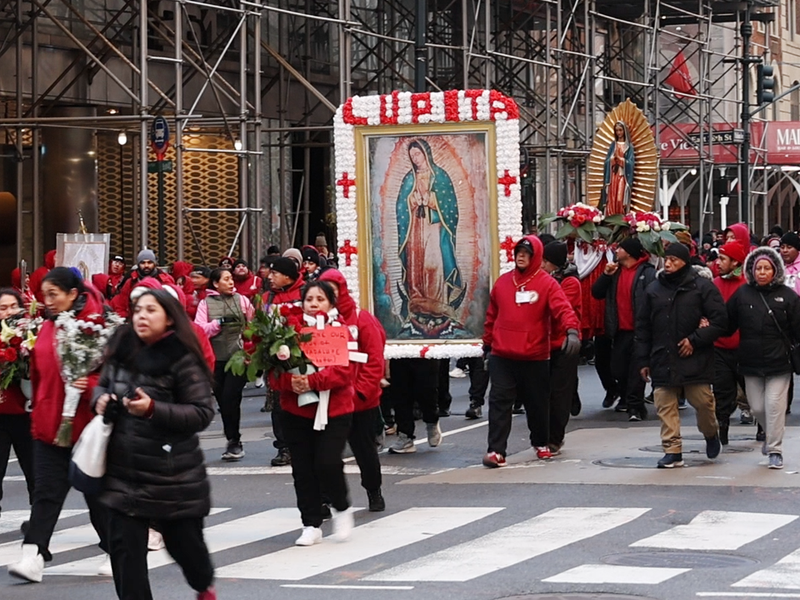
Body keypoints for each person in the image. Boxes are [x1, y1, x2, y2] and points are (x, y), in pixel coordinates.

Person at [93, 289, 217, 600]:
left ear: (169, 318)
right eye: (138, 310)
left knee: (190, 555)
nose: (142, 316)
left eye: (151, 310)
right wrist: (101, 400)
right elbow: (102, 386)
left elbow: (201, 413)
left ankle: (204, 589)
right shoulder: (120, 348)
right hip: (123, 474)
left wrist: (152, 409)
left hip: (172, 477)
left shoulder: (182, 357)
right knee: (126, 559)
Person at [8, 268, 110, 582]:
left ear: (73, 294)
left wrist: (90, 384)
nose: (47, 301)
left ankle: (116, 549)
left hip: (86, 426)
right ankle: (33, 555)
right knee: (46, 493)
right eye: (45, 294)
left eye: (54, 294)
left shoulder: (98, 327)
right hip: (48, 426)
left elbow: (115, 373)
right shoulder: (49, 325)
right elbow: (40, 374)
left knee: (97, 495)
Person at [482, 236, 581, 467]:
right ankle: (496, 450)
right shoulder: (503, 282)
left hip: (534, 355)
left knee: (537, 402)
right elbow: (491, 316)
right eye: (518, 251)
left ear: (535, 255)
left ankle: (541, 441)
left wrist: (572, 331)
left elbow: (563, 309)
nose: (521, 256)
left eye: (526, 252)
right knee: (499, 401)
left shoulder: (547, 283)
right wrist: (487, 345)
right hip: (503, 354)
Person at [269, 280, 355, 546]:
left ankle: (341, 507)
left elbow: (346, 370)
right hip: (297, 411)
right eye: (309, 299)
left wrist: (314, 381)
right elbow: (273, 372)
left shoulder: (341, 330)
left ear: (331, 302)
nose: (314, 304)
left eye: (320, 299)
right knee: (303, 469)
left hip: (335, 409)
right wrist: (290, 383)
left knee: (327, 462)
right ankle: (311, 522)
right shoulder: (288, 332)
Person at [635, 243, 727, 469]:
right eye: (667, 259)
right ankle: (672, 449)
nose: (668, 263)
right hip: (662, 356)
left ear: (685, 262)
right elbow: (643, 327)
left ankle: (710, 433)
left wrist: (695, 339)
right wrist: (643, 360)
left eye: (674, 260)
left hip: (694, 358)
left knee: (703, 403)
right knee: (664, 404)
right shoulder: (654, 290)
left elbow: (720, 321)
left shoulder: (702, 287)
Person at [319, 269, 387, 511]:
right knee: (326, 453)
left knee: (364, 450)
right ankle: (326, 498)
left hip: (359, 400)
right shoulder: (317, 322)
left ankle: (373, 489)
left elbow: (374, 359)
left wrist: (361, 391)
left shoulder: (362, 319)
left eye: (333, 290)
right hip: (328, 399)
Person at [727, 246, 800, 470]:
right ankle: (770, 436)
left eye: (766, 268)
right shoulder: (742, 294)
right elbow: (727, 323)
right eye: (758, 268)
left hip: (779, 362)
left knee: (774, 406)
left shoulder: (788, 296)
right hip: (750, 363)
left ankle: (775, 449)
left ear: (775, 270)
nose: (761, 272)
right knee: (758, 407)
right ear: (751, 270)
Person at [396, 139, 465, 336]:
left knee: (433, 263)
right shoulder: (409, 179)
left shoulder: (441, 176)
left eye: (418, 154)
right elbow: (401, 205)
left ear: (426, 154)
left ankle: (437, 303)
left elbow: (451, 206)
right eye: (412, 156)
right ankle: (417, 302)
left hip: (434, 227)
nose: (415, 159)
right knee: (416, 265)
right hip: (415, 228)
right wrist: (412, 201)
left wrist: (432, 201)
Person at [591, 237, 655, 421]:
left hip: (640, 330)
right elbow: (597, 292)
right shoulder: (615, 271)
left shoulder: (647, 272)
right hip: (619, 329)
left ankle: (634, 406)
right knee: (618, 368)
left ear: (629, 252)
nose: (616, 250)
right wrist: (606, 275)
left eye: (620, 248)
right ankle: (629, 399)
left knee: (637, 369)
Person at [195, 268, 254, 461]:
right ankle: (232, 439)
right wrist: (217, 324)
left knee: (231, 397)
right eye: (226, 279)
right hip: (216, 360)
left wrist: (250, 351)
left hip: (238, 359)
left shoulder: (243, 301)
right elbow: (200, 329)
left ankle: (234, 441)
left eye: (231, 279)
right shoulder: (205, 304)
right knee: (223, 400)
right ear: (215, 284)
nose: (231, 282)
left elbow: (252, 326)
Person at [262, 257, 306, 466]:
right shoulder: (267, 298)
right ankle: (284, 447)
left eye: (275, 274)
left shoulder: (306, 293)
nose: (270, 277)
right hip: (278, 363)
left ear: (287, 276)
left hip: (304, 359)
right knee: (279, 406)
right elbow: (259, 324)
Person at [541, 241, 582, 454]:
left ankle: (555, 437)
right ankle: (543, 434)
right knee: (543, 391)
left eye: (545, 261)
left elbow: (560, 308)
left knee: (559, 393)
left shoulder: (570, 282)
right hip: (544, 343)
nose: (541, 265)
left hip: (564, 343)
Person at [0, 289, 35, 522]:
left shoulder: (31, 333)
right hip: (1, 413)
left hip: (27, 413)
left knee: (35, 470)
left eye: (14, 306)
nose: (10, 312)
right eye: (3, 308)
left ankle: (39, 519)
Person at [711, 241, 748, 445]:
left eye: (723, 259)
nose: (718, 262)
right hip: (719, 348)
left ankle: (762, 427)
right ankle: (722, 431)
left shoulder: (746, 286)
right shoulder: (715, 284)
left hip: (743, 348)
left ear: (735, 262)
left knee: (750, 391)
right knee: (722, 391)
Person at [111, 249, 174, 318]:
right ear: (138, 264)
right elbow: (121, 305)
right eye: (143, 263)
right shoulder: (131, 282)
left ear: (155, 264)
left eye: (149, 262)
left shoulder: (165, 281)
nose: (146, 265)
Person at [601, 121, 634, 215]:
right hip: (612, 177)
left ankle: (620, 216)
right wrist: (612, 159)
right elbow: (607, 161)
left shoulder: (628, 147)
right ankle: (611, 215)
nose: (619, 133)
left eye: (620, 130)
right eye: (616, 131)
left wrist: (621, 160)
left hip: (622, 176)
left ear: (624, 131)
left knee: (620, 199)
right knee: (611, 198)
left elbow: (631, 163)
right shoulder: (613, 145)